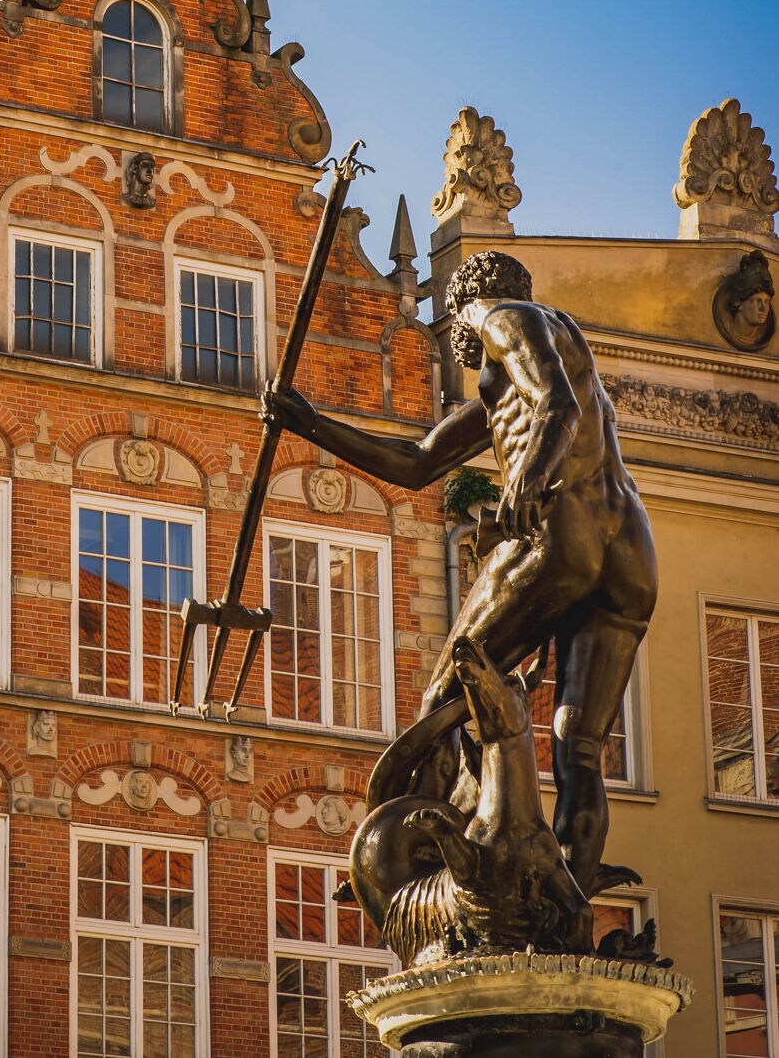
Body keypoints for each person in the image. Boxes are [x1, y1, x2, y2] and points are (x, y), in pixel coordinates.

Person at [261, 249, 657, 896]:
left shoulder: (499, 317)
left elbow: (556, 403)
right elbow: (417, 461)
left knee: (452, 681)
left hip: (565, 530)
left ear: (461, 313)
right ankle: (567, 908)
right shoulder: (538, 366)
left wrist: (528, 474)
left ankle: (403, 851)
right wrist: (310, 424)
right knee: (577, 744)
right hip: (630, 549)